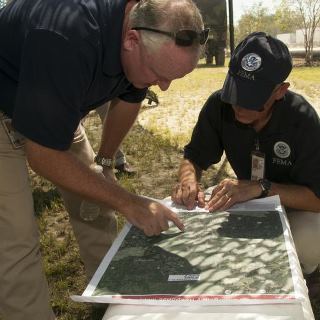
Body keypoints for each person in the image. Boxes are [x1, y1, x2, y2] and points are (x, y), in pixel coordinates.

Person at [0, 0, 208, 318]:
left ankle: (112, 301)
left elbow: (128, 98)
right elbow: (42, 155)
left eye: (172, 78)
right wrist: (129, 201)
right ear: (131, 40)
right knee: (16, 243)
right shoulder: (67, 32)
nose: (162, 85)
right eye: (158, 74)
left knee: (96, 209)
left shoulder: (143, 35)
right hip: (4, 111)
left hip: (57, 105)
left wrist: (106, 163)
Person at [172, 32, 320, 296]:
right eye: (236, 91)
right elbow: (194, 156)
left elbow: (316, 199)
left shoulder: (303, 119)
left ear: (280, 91)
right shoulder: (219, 105)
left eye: (253, 99)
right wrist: (188, 179)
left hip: (295, 205)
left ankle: (306, 273)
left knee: (309, 238)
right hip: (249, 200)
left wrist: (261, 187)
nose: (239, 106)